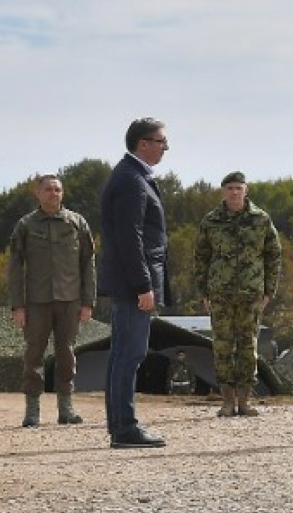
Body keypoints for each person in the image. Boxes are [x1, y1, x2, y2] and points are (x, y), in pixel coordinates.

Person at [99, 117, 172, 449]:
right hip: (134, 282)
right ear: (143, 143)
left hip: (129, 279)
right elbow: (131, 237)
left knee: (122, 355)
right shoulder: (131, 179)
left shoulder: (132, 175)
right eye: (161, 142)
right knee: (130, 355)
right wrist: (145, 285)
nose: (165, 148)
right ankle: (125, 429)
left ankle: (120, 426)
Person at [7, 173, 95, 427]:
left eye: (57, 189)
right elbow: (15, 267)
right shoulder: (25, 225)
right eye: (47, 189)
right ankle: (32, 410)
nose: (53, 193)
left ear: (62, 193)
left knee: (66, 353)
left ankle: (66, 408)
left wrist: (87, 302)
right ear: (38, 193)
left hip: (70, 300)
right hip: (36, 301)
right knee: (33, 354)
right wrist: (18, 305)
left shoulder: (77, 222)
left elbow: (88, 264)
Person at [194, 171, 282, 417]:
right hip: (219, 294)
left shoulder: (261, 220)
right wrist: (203, 291)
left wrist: (269, 290)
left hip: (251, 293)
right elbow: (200, 258)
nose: (234, 192)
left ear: (246, 190)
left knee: (247, 346)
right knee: (222, 347)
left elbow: (274, 255)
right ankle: (227, 401)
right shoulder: (211, 221)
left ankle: (245, 401)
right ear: (223, 191)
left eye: (238, 187)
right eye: (229, 187)